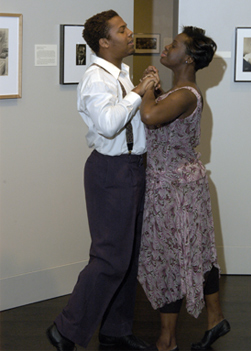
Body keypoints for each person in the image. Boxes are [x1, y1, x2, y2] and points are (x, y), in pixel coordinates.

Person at [46, 9, 158, 351]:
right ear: (104, 42)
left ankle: (116, 329)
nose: (130, 33)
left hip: (133, 167)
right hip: (111, 171)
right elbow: (109, 124)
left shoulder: (122, 74)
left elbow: (137, 121)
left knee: (128, 256)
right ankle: (65, 330)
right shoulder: (96, 78)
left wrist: (146, 90)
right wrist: (139, 91)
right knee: (109, 257)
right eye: (122, 29)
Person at [137, 27, 230, 351]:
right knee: (194, 253)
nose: (166, 46)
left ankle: (168, 338)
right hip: (179, 186)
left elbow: (149, 116)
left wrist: (147, 87)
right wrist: (156, 87)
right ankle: (214, 318)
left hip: (175, 189)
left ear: (188, 58)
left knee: (173, 259)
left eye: (174, 45)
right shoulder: (180, 91)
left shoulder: (186, 93)